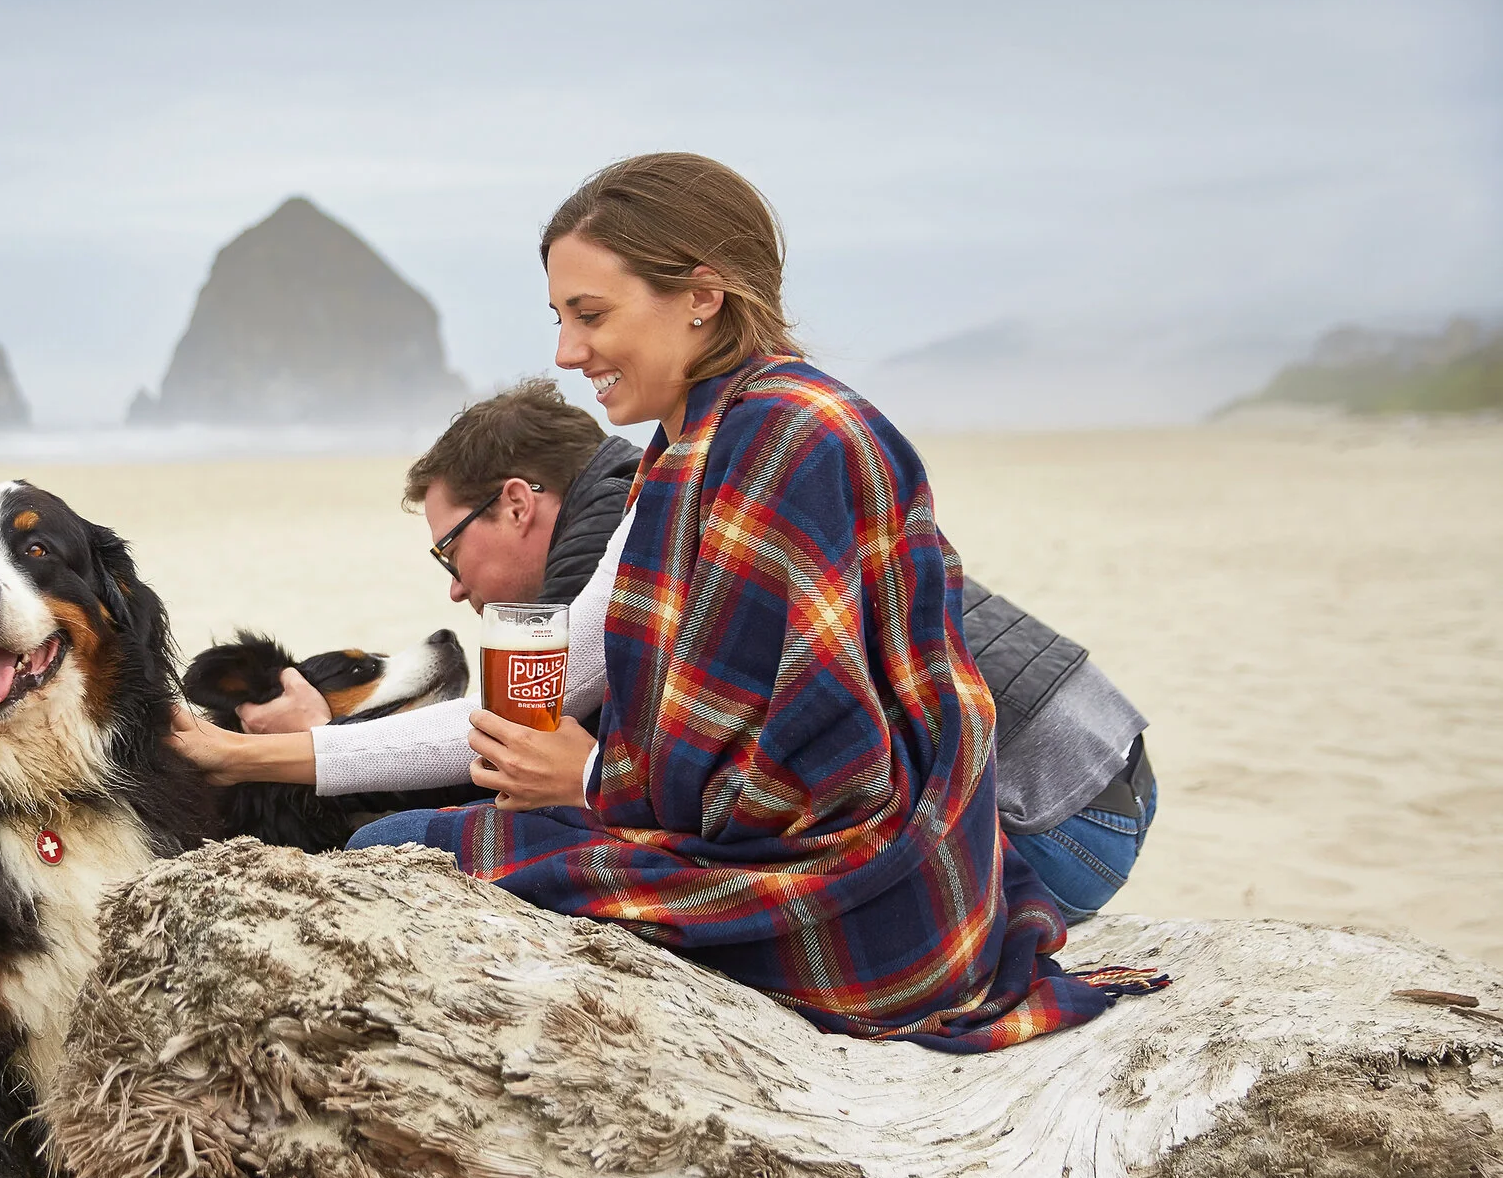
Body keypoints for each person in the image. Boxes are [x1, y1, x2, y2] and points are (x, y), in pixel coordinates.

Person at [168, 153, 1162, 1049]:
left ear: (701, 297)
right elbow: (560, 688)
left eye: (591, 315)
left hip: (995, 829)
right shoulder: (688, 451)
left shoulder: (787, 440)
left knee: (405, 853)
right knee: (404, 846)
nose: (568, 352)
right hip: (886, 817)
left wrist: (592, 777)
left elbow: (823, 778)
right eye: (558, 318)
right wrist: (242, 755)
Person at [234, 378, 1157, 921]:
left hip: (1047, 819)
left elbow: (501, 749)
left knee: (405, 849)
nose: (454, 586)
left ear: (516, 503)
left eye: (449, 549)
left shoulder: (632, 527)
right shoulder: (648, 489)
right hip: (1093, 771)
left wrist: (278, 753)